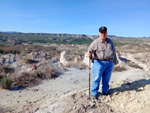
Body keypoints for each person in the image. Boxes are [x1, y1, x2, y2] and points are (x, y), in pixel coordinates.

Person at [88, 26, 116, 100]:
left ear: (106, 33)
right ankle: (94, 93)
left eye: (104, 32)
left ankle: (105, 91)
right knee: (96, 78)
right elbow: (89, 49)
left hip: (109, 62)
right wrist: (90, 54)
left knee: (106, 78)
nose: (103, 34)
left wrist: (114, 61)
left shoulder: (110, 42)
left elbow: (114, 51)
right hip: (99, 63)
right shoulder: (95, 42)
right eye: (101, 32)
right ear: (99, 33)